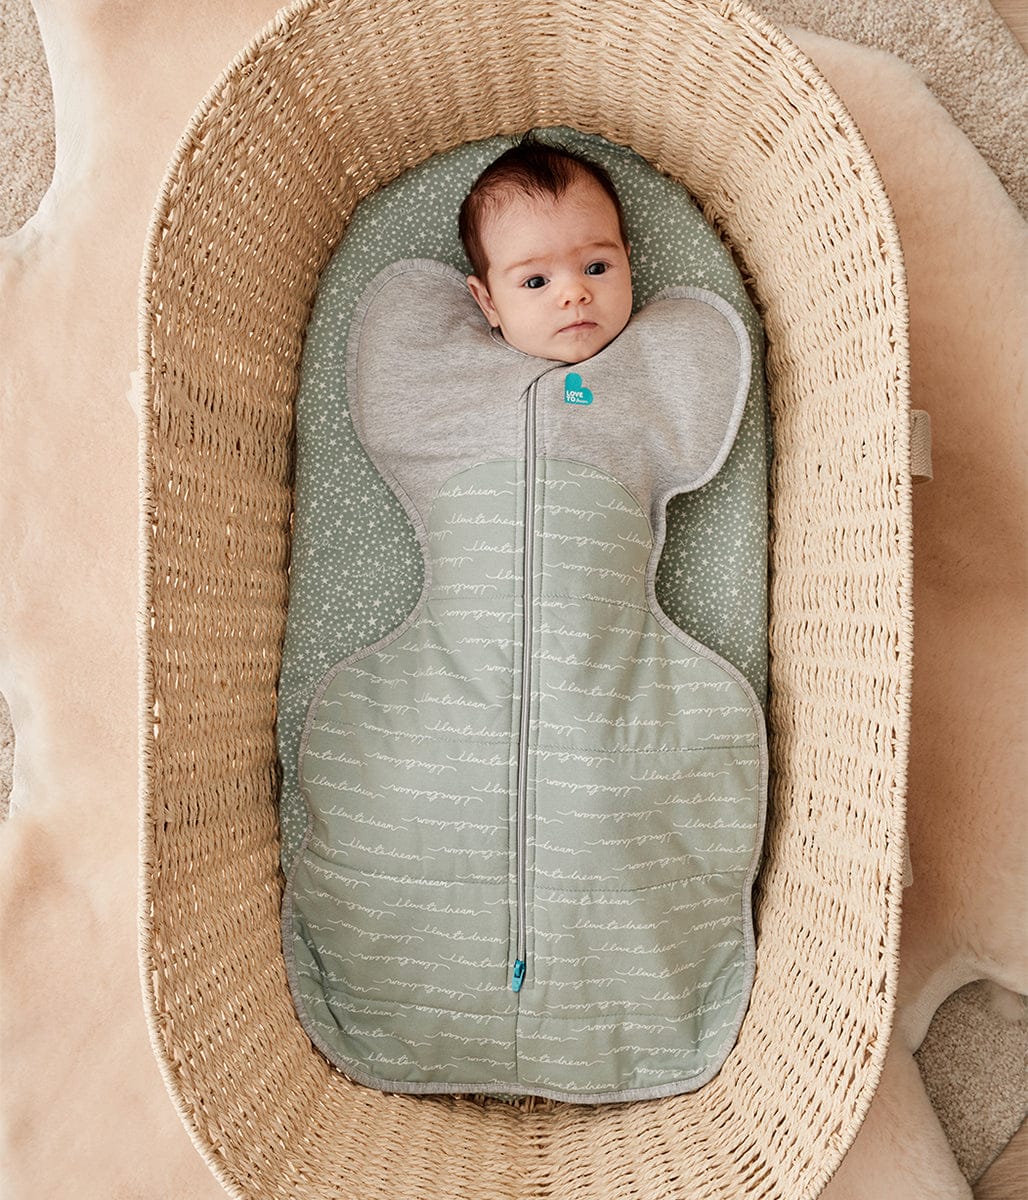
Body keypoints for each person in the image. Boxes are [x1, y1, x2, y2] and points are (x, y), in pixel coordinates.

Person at [458, 134, 634, 363]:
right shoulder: (470, 365)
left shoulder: (664, 336)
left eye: (597, 268)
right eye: (536, 282)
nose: (573, 294)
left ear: (627, 264)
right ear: (489, 302)